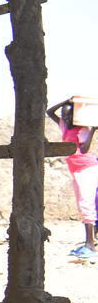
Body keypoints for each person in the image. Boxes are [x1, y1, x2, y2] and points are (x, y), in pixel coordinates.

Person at [47, 98, 97, 259]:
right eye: (64, 115)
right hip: (76, 169)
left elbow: (83, 149)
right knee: (83, 204)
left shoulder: (82, 129)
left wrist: (92, 130)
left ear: (75, 116)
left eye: (69, 116)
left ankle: (90, 244)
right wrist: (66, 102)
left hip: (87, 168)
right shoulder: (64, 126)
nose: (65, 118)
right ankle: (90, 242)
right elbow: (49, 112)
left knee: (85, 204)